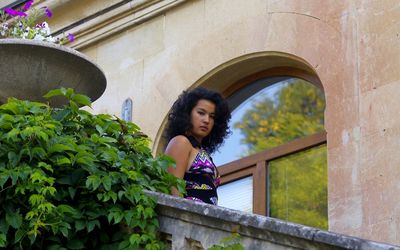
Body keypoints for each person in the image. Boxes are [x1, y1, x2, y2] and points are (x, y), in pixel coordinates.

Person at [164, 87, 231, 205]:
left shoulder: (201, 151)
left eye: (212, 116)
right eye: (201, 113)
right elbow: (173, 193)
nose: (207, 120)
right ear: (187, 113)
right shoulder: (181, 142)